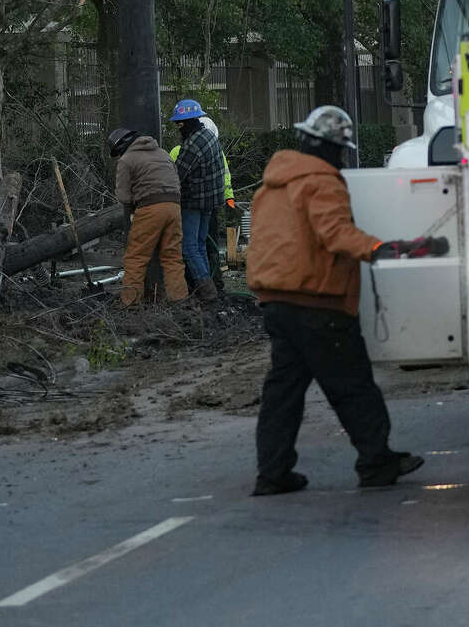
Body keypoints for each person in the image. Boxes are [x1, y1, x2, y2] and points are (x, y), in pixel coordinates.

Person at [245, 104, 446, 495]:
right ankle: (376, 462)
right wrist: (380, 248)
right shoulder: (322, 181)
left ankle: (272, 473)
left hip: (277, 302)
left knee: (282, 393)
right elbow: (335, 232)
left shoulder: (271, 186)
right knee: (353, 387)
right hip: (319, 303)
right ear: (331, 148)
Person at [107, 126, 187, 308]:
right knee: (172, 257)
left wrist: (135, 207)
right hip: (174, 207)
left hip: (150, 208)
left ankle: (131, 302)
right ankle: (180, 301)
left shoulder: (127, 160)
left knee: (136, 257)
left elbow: (123, 196)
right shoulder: (163, 153)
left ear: (120, 148)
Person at [170, 98, 226, 304]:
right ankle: (208, 288)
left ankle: (207, 290)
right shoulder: (210, 136)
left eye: (180, 123)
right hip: (211, 201)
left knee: (189, 247)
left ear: (189, 122)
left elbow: (177, 175)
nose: (178, 127)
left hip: (193, 202)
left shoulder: (191, 145)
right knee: (201, 244)